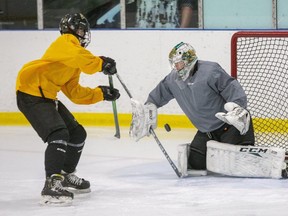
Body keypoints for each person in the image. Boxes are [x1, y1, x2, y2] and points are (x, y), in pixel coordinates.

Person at [130, 42, 288, 179]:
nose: (176, 68)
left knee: (242, 164)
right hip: (206, 133)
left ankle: (283, 162)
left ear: (189, 60)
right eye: (174, 64)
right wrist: (147, 112)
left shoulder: (210, 71)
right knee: (195, 165)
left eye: (179, 63)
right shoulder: (173, 80)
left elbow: (232, 88)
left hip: (231, 127)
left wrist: (237, 108)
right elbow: (156, 97)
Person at [16, 13, 120, 205]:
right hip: (30, 93)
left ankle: (65, 175)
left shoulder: (74, 62)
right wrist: (100, 63)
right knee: (59, 134)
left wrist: (100, 93)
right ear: (71, 30)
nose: (82, 34)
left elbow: (75, 93)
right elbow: (82, 58)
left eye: (83, 30)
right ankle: (51, 184)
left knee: (77, 134)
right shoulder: (65, 42)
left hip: (46, 96)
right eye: (80, 30)